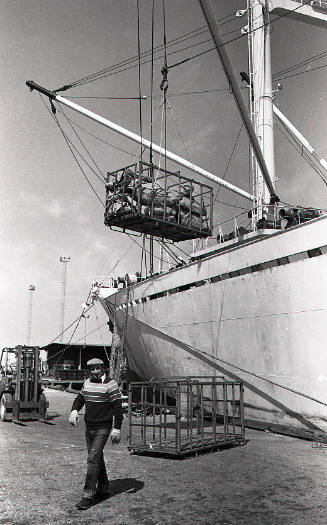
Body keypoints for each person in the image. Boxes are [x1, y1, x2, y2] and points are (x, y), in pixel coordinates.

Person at [69, 358, 123, 510]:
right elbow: (80, 398)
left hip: (103, 428)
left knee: (92, 460)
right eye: (92, 369)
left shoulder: (111, 384)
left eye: (97, 368)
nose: (95, 372)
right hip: (89, 428)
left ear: (103, 368)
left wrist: (117, 428)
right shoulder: (87, 382)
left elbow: (118, 408)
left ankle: (88, 495)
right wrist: (74, 410)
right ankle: (104, 487)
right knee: (97, 458)